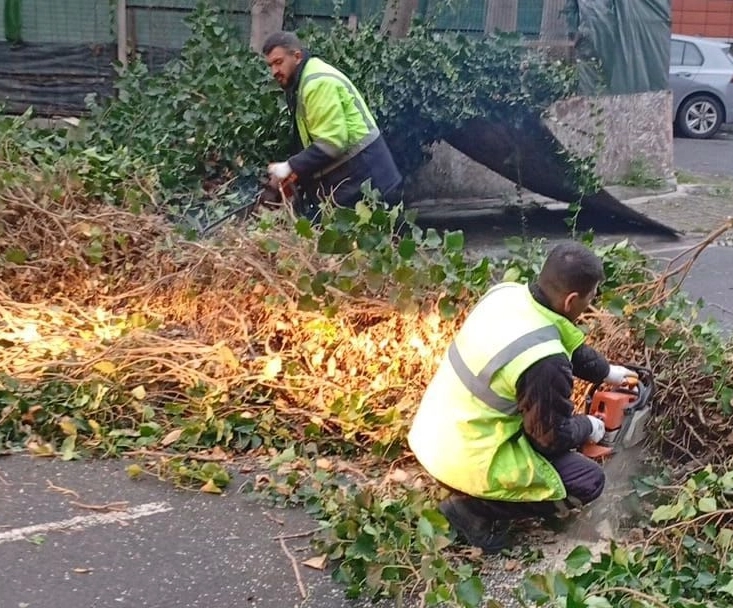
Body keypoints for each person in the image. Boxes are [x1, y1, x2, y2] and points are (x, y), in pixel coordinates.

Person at [407, 241, 638, 553]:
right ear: (571, 300)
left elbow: (559, 338)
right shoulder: (545, 362)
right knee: (588, 481)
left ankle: (478, 496)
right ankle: (471, 510)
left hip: (432, 438)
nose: (591, 302)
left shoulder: (507, 295)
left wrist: (607, 372)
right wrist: (590, 426)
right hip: (466, 460)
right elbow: (551, 440)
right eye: (591, 297)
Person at [262, 31, 403, 214]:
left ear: (297, 57)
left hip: (367, 180)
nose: (274, 71)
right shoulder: (303, 81)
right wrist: (294, 173)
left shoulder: (316, 83)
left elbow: (332, 143)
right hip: (357, 179)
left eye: (278, 62)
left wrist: (290, 166)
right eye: (270, 65)